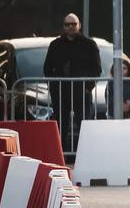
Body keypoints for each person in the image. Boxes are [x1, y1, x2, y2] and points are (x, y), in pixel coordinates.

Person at [43, 13, 100, 152]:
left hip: (82, 92)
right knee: (61, 126)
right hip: (61, 93)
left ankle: (84, 153)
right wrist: (54, 88)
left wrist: (88, 88)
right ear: (63, 27)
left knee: (84, 125)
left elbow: (96, 69)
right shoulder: (55, 45)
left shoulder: (89, 45)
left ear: (79, 25)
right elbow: (47, 69)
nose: (71, 27)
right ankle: (61, 155)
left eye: (73, 24)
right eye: (67, 24)